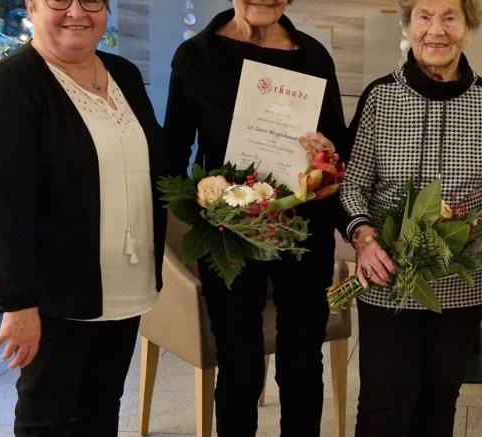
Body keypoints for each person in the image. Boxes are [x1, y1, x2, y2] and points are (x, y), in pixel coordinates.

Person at [0, 0, 166, 435]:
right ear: (32, 7)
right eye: (59, 0)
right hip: (56, 295)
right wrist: (18, 304)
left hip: (124, 284)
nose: (77, 11)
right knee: (47, 418)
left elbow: (158, 164)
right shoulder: (9, 86)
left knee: (101, 407)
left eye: (91, 0)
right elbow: (0, 206)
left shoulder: (124, 75)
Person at [340, 0, 482, 434]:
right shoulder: (380, 97)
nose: (436, 30)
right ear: (408, 24)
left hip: (463, 280)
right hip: (387, 278)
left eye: (450, 17)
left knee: (440, 399)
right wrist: (364, 238)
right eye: (424, 16)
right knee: (384, 403)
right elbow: (352, 185)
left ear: (468, 28)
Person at [163, 0, 347, 435]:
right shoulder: (196, 57)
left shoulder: (314, 56)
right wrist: (203, 202)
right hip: (229, 234)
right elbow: (172, 155)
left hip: (303, 232)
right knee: (238, 363)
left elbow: (339, 148)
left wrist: (325, 151)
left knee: (302, 360)